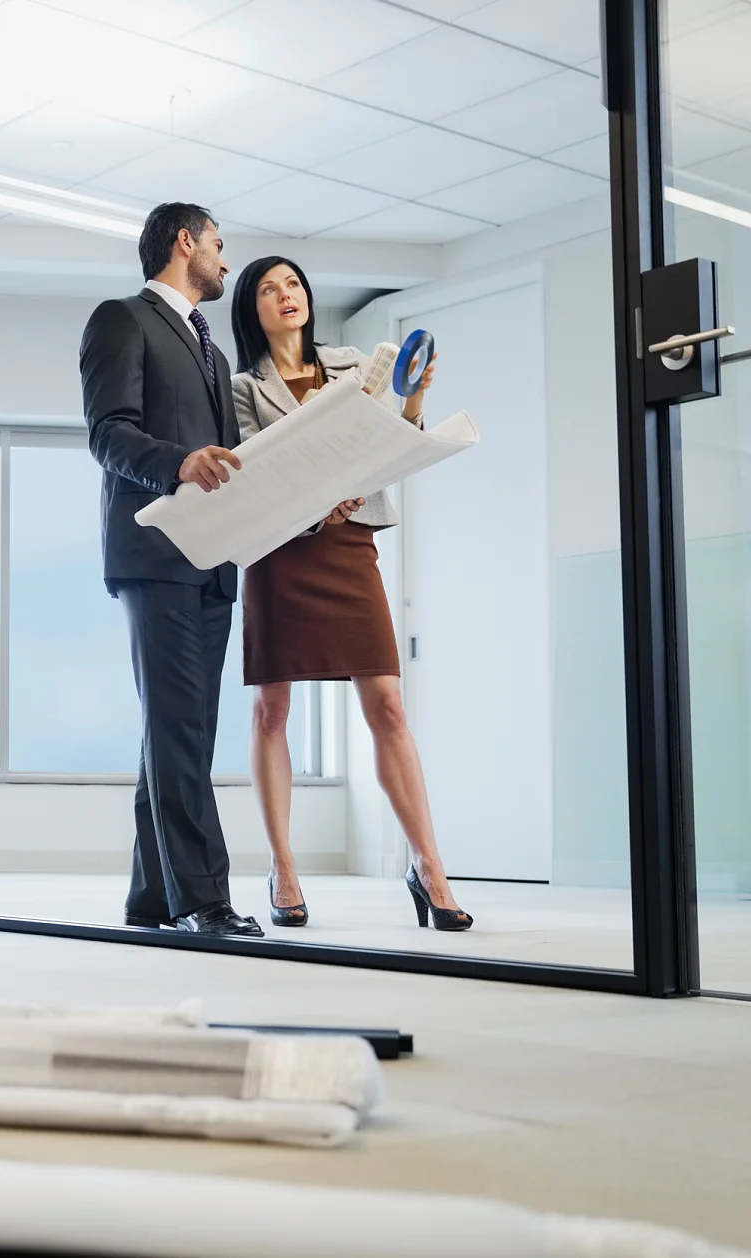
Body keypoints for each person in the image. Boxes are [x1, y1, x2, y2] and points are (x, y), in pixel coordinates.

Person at [228, 255, 473, 932]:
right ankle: (283, 868)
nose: (287, 297)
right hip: (281, 551)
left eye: (295, 286)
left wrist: (415, 398)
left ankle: (429, 868)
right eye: (271, 290)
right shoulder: (243, 386)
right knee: (271, 710)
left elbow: (393, 443)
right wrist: (316, 504)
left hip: (349, 546)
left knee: (389, 707)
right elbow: (256, 470)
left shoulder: (349, 362)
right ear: (252, 307)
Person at [79, 203, 261, 938]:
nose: (225, 259)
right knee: (179, 727)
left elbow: (224, 460)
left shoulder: (215, 356)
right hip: (156, 554)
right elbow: (108, 433)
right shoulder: (122, 319)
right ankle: (202, 900)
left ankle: (153, 898)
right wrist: (177, 465)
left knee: (181, 730)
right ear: (185, 242)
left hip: (211, 562)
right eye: (218, 244)